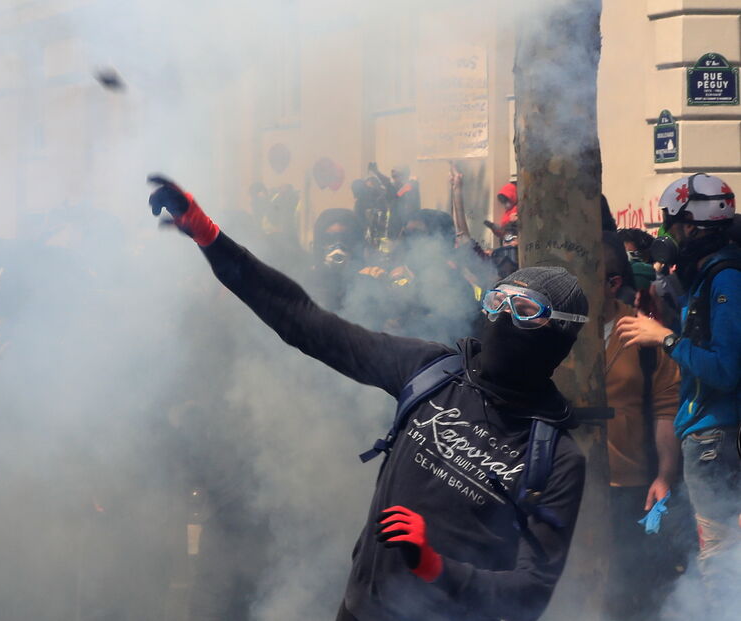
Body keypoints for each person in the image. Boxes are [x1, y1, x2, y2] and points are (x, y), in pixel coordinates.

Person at [147, 175, 589, 621]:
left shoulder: (556, 458)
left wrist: (434, 566)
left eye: (525, 311)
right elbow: (305, 322)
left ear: (560, 334)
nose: (502, 317)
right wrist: (209, 236)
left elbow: (531, 593)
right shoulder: (431, 371)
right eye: (497, 302)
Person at [616, 173, 740, 610]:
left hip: (716, 436)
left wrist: (663, 338)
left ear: (691, 226)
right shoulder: (712, 275)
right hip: (714, 435)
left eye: (669, 225)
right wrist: (667, 314)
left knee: (720, 558)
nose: (664, 236)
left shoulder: (725, 278)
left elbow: (726, 368)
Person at [600, 232, 683, 621]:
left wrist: (664, 474)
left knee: (627, 590)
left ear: (612, 283)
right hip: (559, 484)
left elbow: (667, 410)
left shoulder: (643, 334)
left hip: (628, 489)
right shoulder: (548, 327)